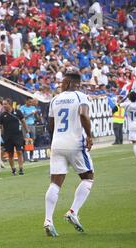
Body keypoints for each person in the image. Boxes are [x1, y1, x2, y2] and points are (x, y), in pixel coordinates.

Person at [44, 68, 94, 237]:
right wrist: (89, 136)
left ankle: (48, 220)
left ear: (70, 83)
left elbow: (50, 126)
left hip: (57, 144)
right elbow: (83, 115)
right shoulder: (81, 96)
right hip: (75, 143)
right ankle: (73, 211)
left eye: (63, 82)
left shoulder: (55, 100)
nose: (61, 84)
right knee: (88, 178)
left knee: (55, 183)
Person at [0, 98, 29, 176]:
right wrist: (0, 136)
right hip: (8, 137)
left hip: (18, 136)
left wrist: (27, 131)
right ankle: (13, 169)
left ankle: (21, 168)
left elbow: (23, 121)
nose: (4, 106)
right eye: (3, 104)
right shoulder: (2, 115)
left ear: (10, 104)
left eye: (5, 104)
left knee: (19, 152)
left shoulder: (18, 112)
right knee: (10, 154)